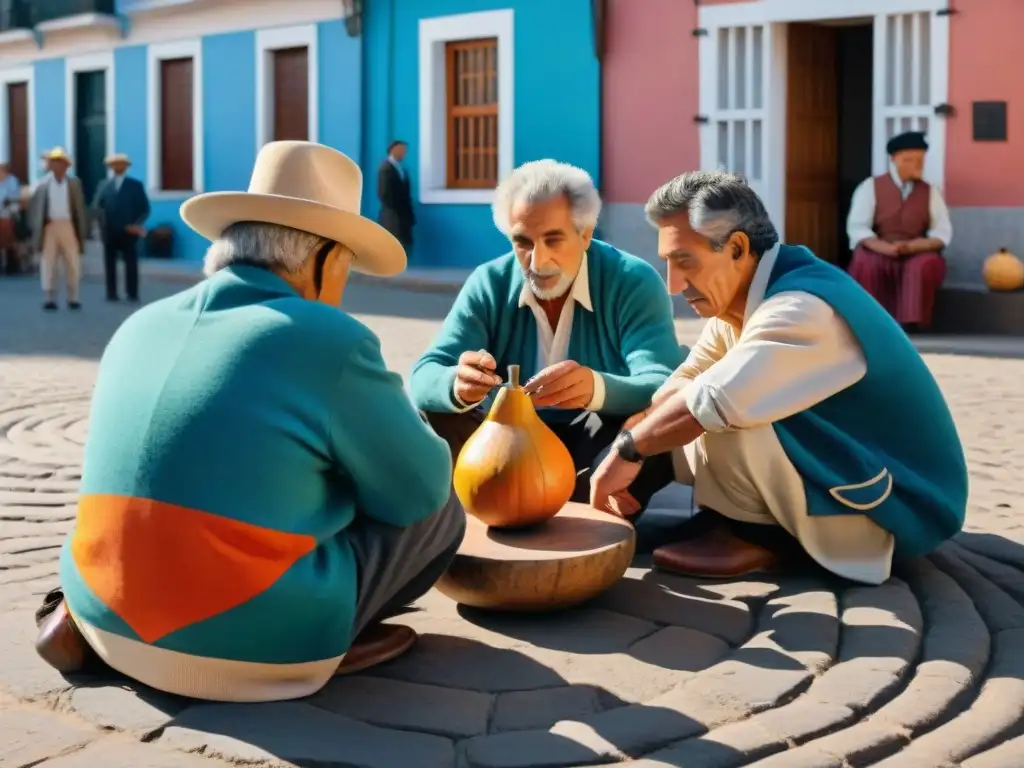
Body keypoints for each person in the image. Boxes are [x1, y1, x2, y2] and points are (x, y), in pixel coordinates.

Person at [37, 141, 465, 702]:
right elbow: (419, 491)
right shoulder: (327, 338)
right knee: (442, 509)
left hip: (104, 615)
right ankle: (316, 638)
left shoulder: (139, 323)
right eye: (347, 267)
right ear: (324, 258)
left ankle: (98, 609)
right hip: (242, 642)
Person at [589, 171, 967, 585]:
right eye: (668, 263)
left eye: (685, 262)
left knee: (728, 404)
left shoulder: (802, 307)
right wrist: (638, 471)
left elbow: (713, 400)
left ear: (737, 248)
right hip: (845, 465)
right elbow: (683, 382)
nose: (674, 284)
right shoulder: (742, 301)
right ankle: (726, 520)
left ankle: (758, 535)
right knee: (694, 399)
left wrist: (629, 451)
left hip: (900, 505)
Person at [410, 159, 685, 514]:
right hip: (507, 445)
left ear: (585, 234)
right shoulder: (489, 281)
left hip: (599, 437)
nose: (537, 261)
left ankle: (535, 506)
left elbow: (664, 383)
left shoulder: (633, 280)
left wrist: (595, 387)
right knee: (436, 413)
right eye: (522, 242)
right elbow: (424, 376)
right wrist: (456, 384)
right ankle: (561, 506)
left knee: (655, 429)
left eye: (553, 240)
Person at [846, 131, 952, 332]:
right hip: (880, 246)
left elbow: (942, 232)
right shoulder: (870, 187)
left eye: (921, 160)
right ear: (895, 160)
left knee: (922, 265)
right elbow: (858, 227)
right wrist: (884, 248)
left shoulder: (931, 192)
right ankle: (870, 321)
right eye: (910, 160)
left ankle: (910, 323)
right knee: (866, 262)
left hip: (916, 249)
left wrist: (915, 246)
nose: (918, 165)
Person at [27, 147, 88, 311]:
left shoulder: (74, 183)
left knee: (73, 262)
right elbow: (33, 207)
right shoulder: (42, 184)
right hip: (49, 226)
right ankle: (49, 298)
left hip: (68, 225)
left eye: (60, 163)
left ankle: (73, 297)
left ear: (66, 165)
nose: (56, 166)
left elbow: (80, 209)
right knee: (48, 263)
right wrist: (36, 228)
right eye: (53, 163)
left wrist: (82, 230)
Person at [92, 153, 151, 302]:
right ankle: (111, 293)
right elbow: (97, 207)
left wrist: (136, 224)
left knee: (131, 262)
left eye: (121, 164)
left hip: (129, 231)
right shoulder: (104, 185)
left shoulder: (135, 185)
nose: (118, 167)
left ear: (126, 167)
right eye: (115, 164)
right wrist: (101, 225)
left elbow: (144, 208)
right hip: (109, 231)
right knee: (109, 263)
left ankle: (132, 293)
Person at [377, 140, 414, 253]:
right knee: (393, 242)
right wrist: (393, 211)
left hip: (403, 214)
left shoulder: (401, 168)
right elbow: (384, 193)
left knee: (404, 242)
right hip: (392, 215)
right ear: (393, 150)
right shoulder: (386, 168)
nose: (404, 153)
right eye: (402, 150)